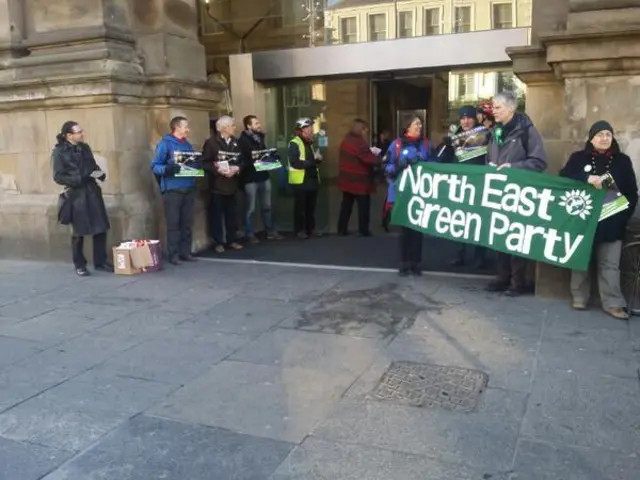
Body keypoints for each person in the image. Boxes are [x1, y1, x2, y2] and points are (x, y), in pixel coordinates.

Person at [560, 121, 638, 320]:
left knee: (610, 265)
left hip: (612, 221)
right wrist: (586, 178)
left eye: (608, 134)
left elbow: (631, 192)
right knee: (580, 260)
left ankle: (612, 303)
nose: (604, 138)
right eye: (600, 134)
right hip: (584, 219)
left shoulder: (622, 161)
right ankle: (579, 297)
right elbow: (563, 179)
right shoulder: (578, 158)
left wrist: (623, 216)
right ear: (591, 138)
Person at [486, 92, 547, 296]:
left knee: (515, 237)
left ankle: (518, 282)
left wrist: (513, 167)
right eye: (493, 107)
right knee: (498, 235)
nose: (493, 110)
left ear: (511, 109)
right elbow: (490, 157)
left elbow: (539, 162)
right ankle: (502, 277)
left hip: (519, 194)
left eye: (498, 107)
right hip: (498, 192)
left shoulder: (527, 131)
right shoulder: (495, 132)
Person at [52, 121, 112, 276]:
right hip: (76, 195)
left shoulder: (85, 148)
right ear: (69, 135)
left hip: (92, 191)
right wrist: (78, 179)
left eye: (81, 131)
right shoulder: (59, 152)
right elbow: (58, 176)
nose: (82, 134)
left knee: (100, 228)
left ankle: (100, 261)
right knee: (78, 232)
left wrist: (100, 174)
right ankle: (79, 264)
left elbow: (92, 166)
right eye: (78, 132)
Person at [383, 116, 438, 276]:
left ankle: (415, 263)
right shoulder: (397, 145)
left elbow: (436, 165)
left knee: (417, 230)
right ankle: (403, 262)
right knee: (404, 230)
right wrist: (399, 165)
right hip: (401, 193)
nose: (419, 126)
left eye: (420, 123)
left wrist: (422, 162)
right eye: (416, 124)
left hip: (419, 193)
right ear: (407, 126)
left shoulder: (427, 145)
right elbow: (386, 166)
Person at [438, 105, 488, 269]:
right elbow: (442, 159)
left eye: (469, 118)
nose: (465, 121)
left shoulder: (485, 134)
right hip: (459, 184)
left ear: (475, 119)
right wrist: (445, 145)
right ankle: (458, 254)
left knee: (478, 221)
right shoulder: (454, 136)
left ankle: (480, 256)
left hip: (478, 184)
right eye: (463, 118)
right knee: (459, 220)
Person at [151, 116, 198, 265]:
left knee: (187, 223)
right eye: (185, 126)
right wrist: (168, 169)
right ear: (176, 128)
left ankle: (186, 252)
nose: (188, 129)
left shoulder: (188, 145)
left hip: (188, 187)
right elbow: (155, 166)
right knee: (173, 224)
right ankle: (174, 254)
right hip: (172, 189)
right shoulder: (165, 144)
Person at [238, 114, 283, 243]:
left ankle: (270, 231)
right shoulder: (243, 141)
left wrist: (272, 158)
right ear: (249, 126)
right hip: (250, 178)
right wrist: (265, 158)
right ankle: (250, 234)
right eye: (256, 123)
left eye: (259, 123)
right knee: (250, 209)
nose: (259, 125)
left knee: (267, 206)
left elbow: (262, 155)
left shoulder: (259, 138)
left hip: (263, 176)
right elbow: (251, 158)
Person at [202, 115, 243, 253]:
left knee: (232, 215)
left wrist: (237, 168)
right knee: (216, 216)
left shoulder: (236, 142)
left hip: (232, 184)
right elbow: (205, 162)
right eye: (232, 125)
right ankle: (218, 242)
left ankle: (232, 240)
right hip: (217, 186)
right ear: (224, 128)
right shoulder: (211, 143)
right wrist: (217, 170)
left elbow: (243, 161)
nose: (234, 128)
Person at [337, 118, 381, 236]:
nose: (367, 133)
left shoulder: (347, 140)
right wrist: (381, 160)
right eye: (366, 130)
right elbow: (367, 157)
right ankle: (363, 230)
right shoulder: (359, 143)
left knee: (346, 205)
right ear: (361, 129)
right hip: (359, 180)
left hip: (347, 178)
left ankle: (342, 229)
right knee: (363, 206)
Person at [288, 117, 322, 239]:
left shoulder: (309, 142)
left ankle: (310, 228)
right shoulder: (294, 143)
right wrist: (312, 161)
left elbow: (311, 160)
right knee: (300, 207)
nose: (312, 129)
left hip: (311, 178)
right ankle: (300, 230)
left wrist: (317, 159)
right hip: (300, 180)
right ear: (303, 129)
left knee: (310, 207)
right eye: (309, 127)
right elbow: (294, 162)